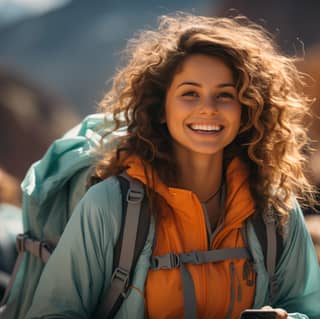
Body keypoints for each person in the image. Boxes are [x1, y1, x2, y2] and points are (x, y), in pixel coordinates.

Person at [25, 13, 320, 319]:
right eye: (189, 94)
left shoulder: (275, 211)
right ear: (161, 108)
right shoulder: (111, 207)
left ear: (246, 110)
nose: (208, 107)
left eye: (225, 95)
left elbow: (307, 309)